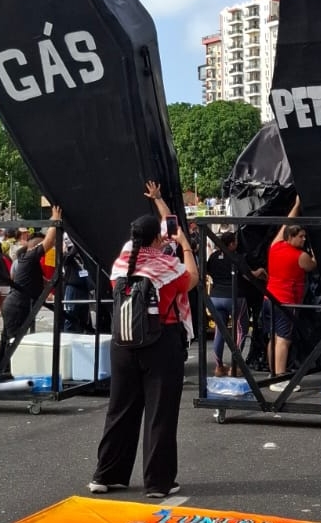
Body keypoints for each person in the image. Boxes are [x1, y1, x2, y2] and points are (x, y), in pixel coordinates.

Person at [89, 181, 198, 499]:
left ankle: (106, 475)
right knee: (159, 414)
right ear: (158, 239)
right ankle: (158, 482)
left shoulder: (121, 264)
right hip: (160, 342)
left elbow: (159, 231)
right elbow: (192, 278)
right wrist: (186, 246)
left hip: (122, 342)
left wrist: (159, 203)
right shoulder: (167, 267)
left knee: (120, 410)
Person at [0, 208, 62, 378]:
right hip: (17, 306)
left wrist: (49, 287)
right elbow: (49, 242)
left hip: (17, 304)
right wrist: (55, 220)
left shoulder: (28, 262)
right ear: (36, 247)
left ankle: (0, 371)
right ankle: (6, 372)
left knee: (8, 339)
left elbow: (40, 280)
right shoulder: (30, 257)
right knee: (13, 341)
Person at [262, 196, 317, 392]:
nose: (303, 239)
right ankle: (279, 379)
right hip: (286, 302)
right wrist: (316, 251)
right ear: (291, 237)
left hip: (269, 298)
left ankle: (273, 374)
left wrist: (296, 205)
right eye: (301, 236)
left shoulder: (275, 246)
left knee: (273, 338)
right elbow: (313, 265)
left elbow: (286, 223)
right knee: (283, 340)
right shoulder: (301, 256)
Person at [207, 230, 267, 377]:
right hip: (235, 296)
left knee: (220, 331)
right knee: (241, 329)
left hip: (216, 297)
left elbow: (208, 272)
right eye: (235, 242)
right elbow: (249, 276)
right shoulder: (236, 257)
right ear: (232, 244)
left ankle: (219, 367)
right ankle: (236, 366)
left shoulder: (213, 257)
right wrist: (260, 271)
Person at [62, 234, 94, 333]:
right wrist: (75, 246)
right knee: (70, 316)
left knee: (83, 318)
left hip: (84, 287)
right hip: (73, 287)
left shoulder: (83, 254)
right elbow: (65, 259)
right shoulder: (67, 253)